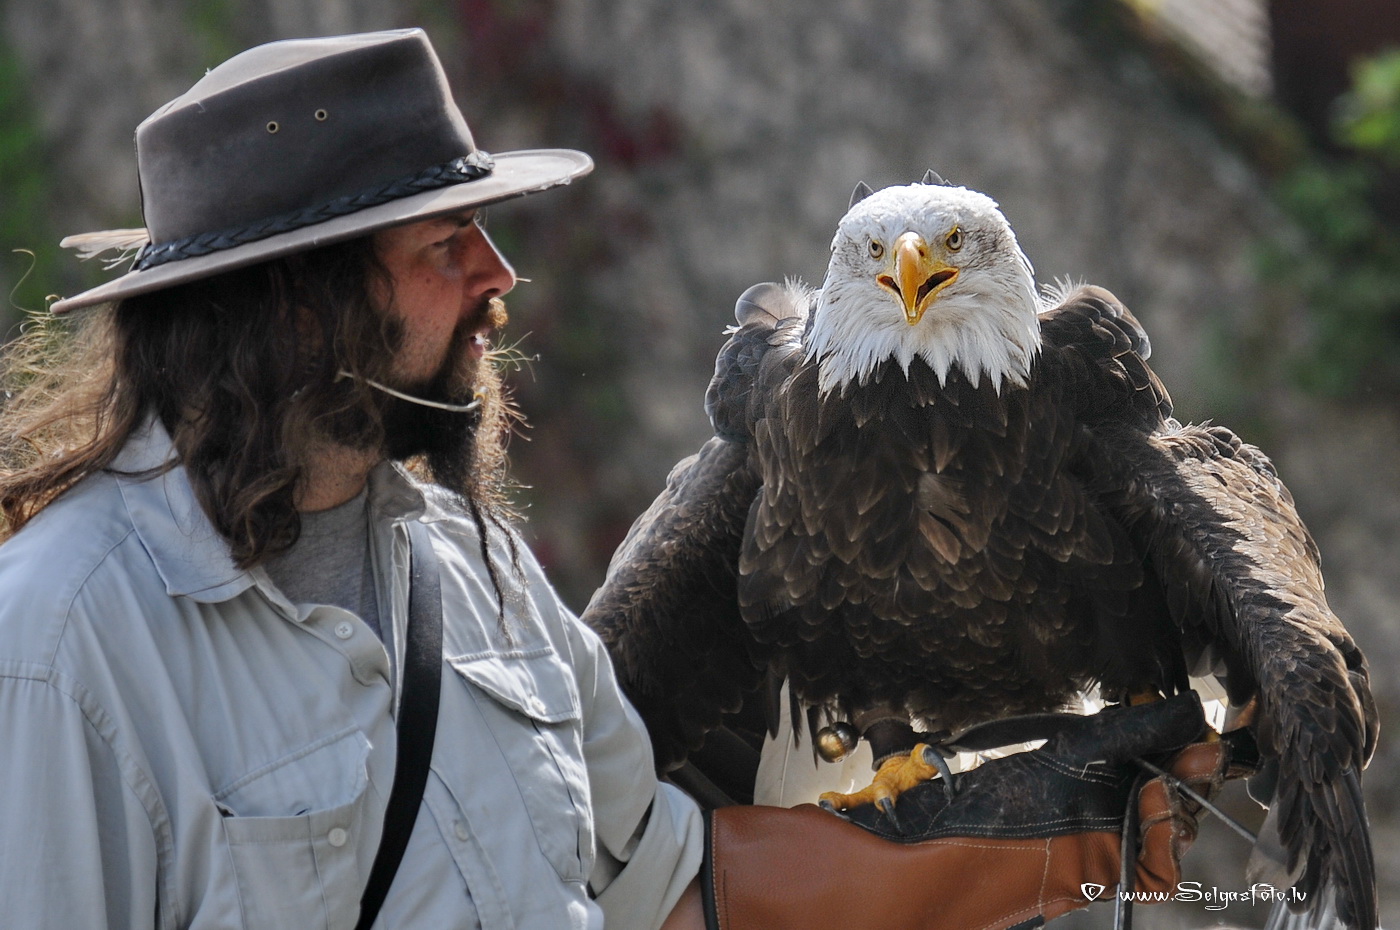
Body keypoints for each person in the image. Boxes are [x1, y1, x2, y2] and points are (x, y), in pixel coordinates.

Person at [0, 28, 1227, 930]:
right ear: (298, 306)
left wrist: (1049, 830)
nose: (500, 274)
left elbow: (676, 890)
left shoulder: (473, 577)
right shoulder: (64, 639)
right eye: (446, 244)